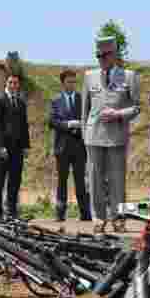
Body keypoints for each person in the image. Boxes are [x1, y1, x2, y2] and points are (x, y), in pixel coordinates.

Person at [83, 36, 140, 233]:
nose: (101, 59)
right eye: (98, 55)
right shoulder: (89, 76)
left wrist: (118, 114)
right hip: (94, 136)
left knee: (118, 180)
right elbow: (85, 110)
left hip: (116, 136)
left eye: (105, 55)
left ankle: (118, 219)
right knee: (95, 180)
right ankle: (98, 219)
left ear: (115, 54)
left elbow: (136, 108)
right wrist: (85, 136)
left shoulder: (130, 77)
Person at [49, 69, 90, 221]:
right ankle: (60, 214)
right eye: (69, 82)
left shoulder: (82, 99)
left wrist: (81, 124)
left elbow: (89, 118)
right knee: (62, 181)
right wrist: (67, 124)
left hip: (80, 147)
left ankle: (85, 214)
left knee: (81, 181)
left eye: (74, 82)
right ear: (63, 83)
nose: (72, 84)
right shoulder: (56, 101)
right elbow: (52, 121)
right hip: (62, 147)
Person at [0, 73, 30, 219]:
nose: (13, 85)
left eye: (16, 83)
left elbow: (24, 125)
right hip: (3, 147)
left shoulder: (20, 102)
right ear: (6, 83)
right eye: (11, 82)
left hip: (17, 148)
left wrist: (26, 146)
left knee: (15, 180)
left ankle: (12, 211)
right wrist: (0, 146)